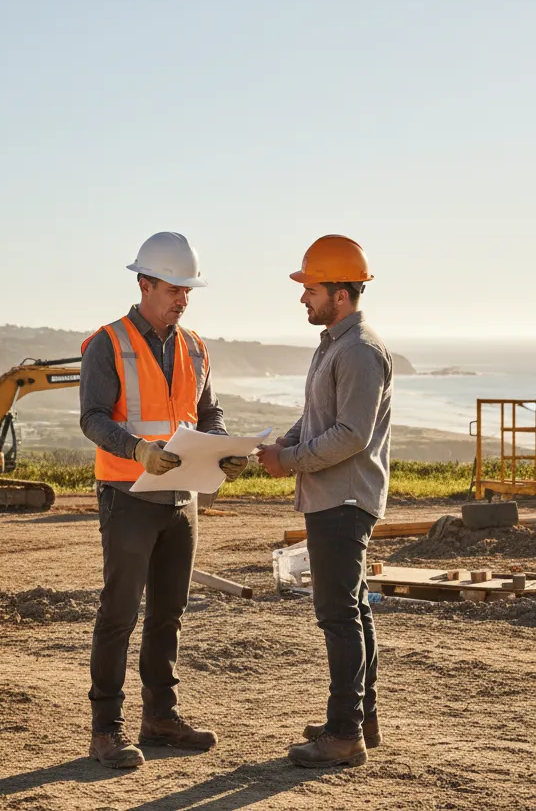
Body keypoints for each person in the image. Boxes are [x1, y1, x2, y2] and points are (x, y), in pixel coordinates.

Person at [79, 231, 248, 769]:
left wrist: (223, 448)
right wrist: (138, 450)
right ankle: (106, 730)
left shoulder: (195, 346)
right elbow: (93, 419)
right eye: (174, 288)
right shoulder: (108, 343)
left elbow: (208, 413)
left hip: (183, 498)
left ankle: (160, 718)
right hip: (128, 495)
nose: (183, 298)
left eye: (188, 289)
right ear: (145, 284)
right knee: (119, 614)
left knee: (169, 612)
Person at [255, 235, 392, 769]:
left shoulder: (358, 351)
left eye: (310, 289)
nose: (302, 297)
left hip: (343, 500)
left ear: (340, 293)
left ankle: (343, 735)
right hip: (333, 498)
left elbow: (351, 434)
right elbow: (318, 416)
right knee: (353, 609)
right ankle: (361, 719)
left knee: (338, 616)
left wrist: (288, 461)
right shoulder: (335, 344)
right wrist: (283, 445)